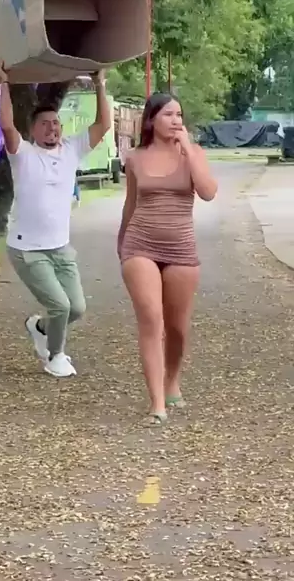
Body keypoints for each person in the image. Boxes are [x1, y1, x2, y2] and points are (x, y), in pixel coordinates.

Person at [0, 63, 111, 378]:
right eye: (45, 124)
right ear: (33, 130)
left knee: (76, 308)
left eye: (56, 123)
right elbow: (6, 125)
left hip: (60, 248)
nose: (52, 129)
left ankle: (41, 328)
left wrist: (99, 84)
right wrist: (4, 83)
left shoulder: (72, 149)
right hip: (27, 250)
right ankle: (55, 355)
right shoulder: (23, 154)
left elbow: (103, 124)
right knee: (60, 305)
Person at [117, 93, 217, 426]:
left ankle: (172, 381)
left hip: (181, 249)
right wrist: (122, 242)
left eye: (179, 114)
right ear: (151, 120)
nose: (176, 120)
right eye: (168, 114)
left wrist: (187, 149)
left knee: (177, 328)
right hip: (140, 245)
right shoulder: (135, 158)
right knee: (151, 319)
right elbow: (131, 204)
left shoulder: (194, 153)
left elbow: (208, 192)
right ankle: (157, 403)